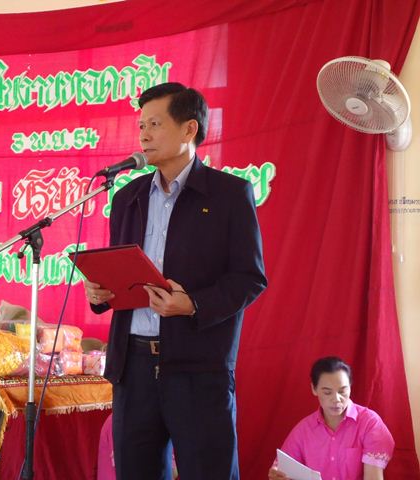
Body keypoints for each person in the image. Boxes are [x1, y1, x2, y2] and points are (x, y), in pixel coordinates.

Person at [84, 82, 267, 480]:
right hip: (133, 367)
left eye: (155, 124)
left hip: (197, 368)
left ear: (189, 129)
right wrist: (99, 292)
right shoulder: (127, 197)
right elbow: (121, 274)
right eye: (141, 125)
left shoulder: (229, 194)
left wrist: (193, 304)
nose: (144, 135)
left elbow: (250, 278)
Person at [268, 357, 394, 480]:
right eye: (327, 392)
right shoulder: (303, 430)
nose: (336, 399)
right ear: (314, 389)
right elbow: (281, 467)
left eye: (342, 391)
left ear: (350, 387)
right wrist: (277, 475)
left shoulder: (370, 423)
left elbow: (373, 477)